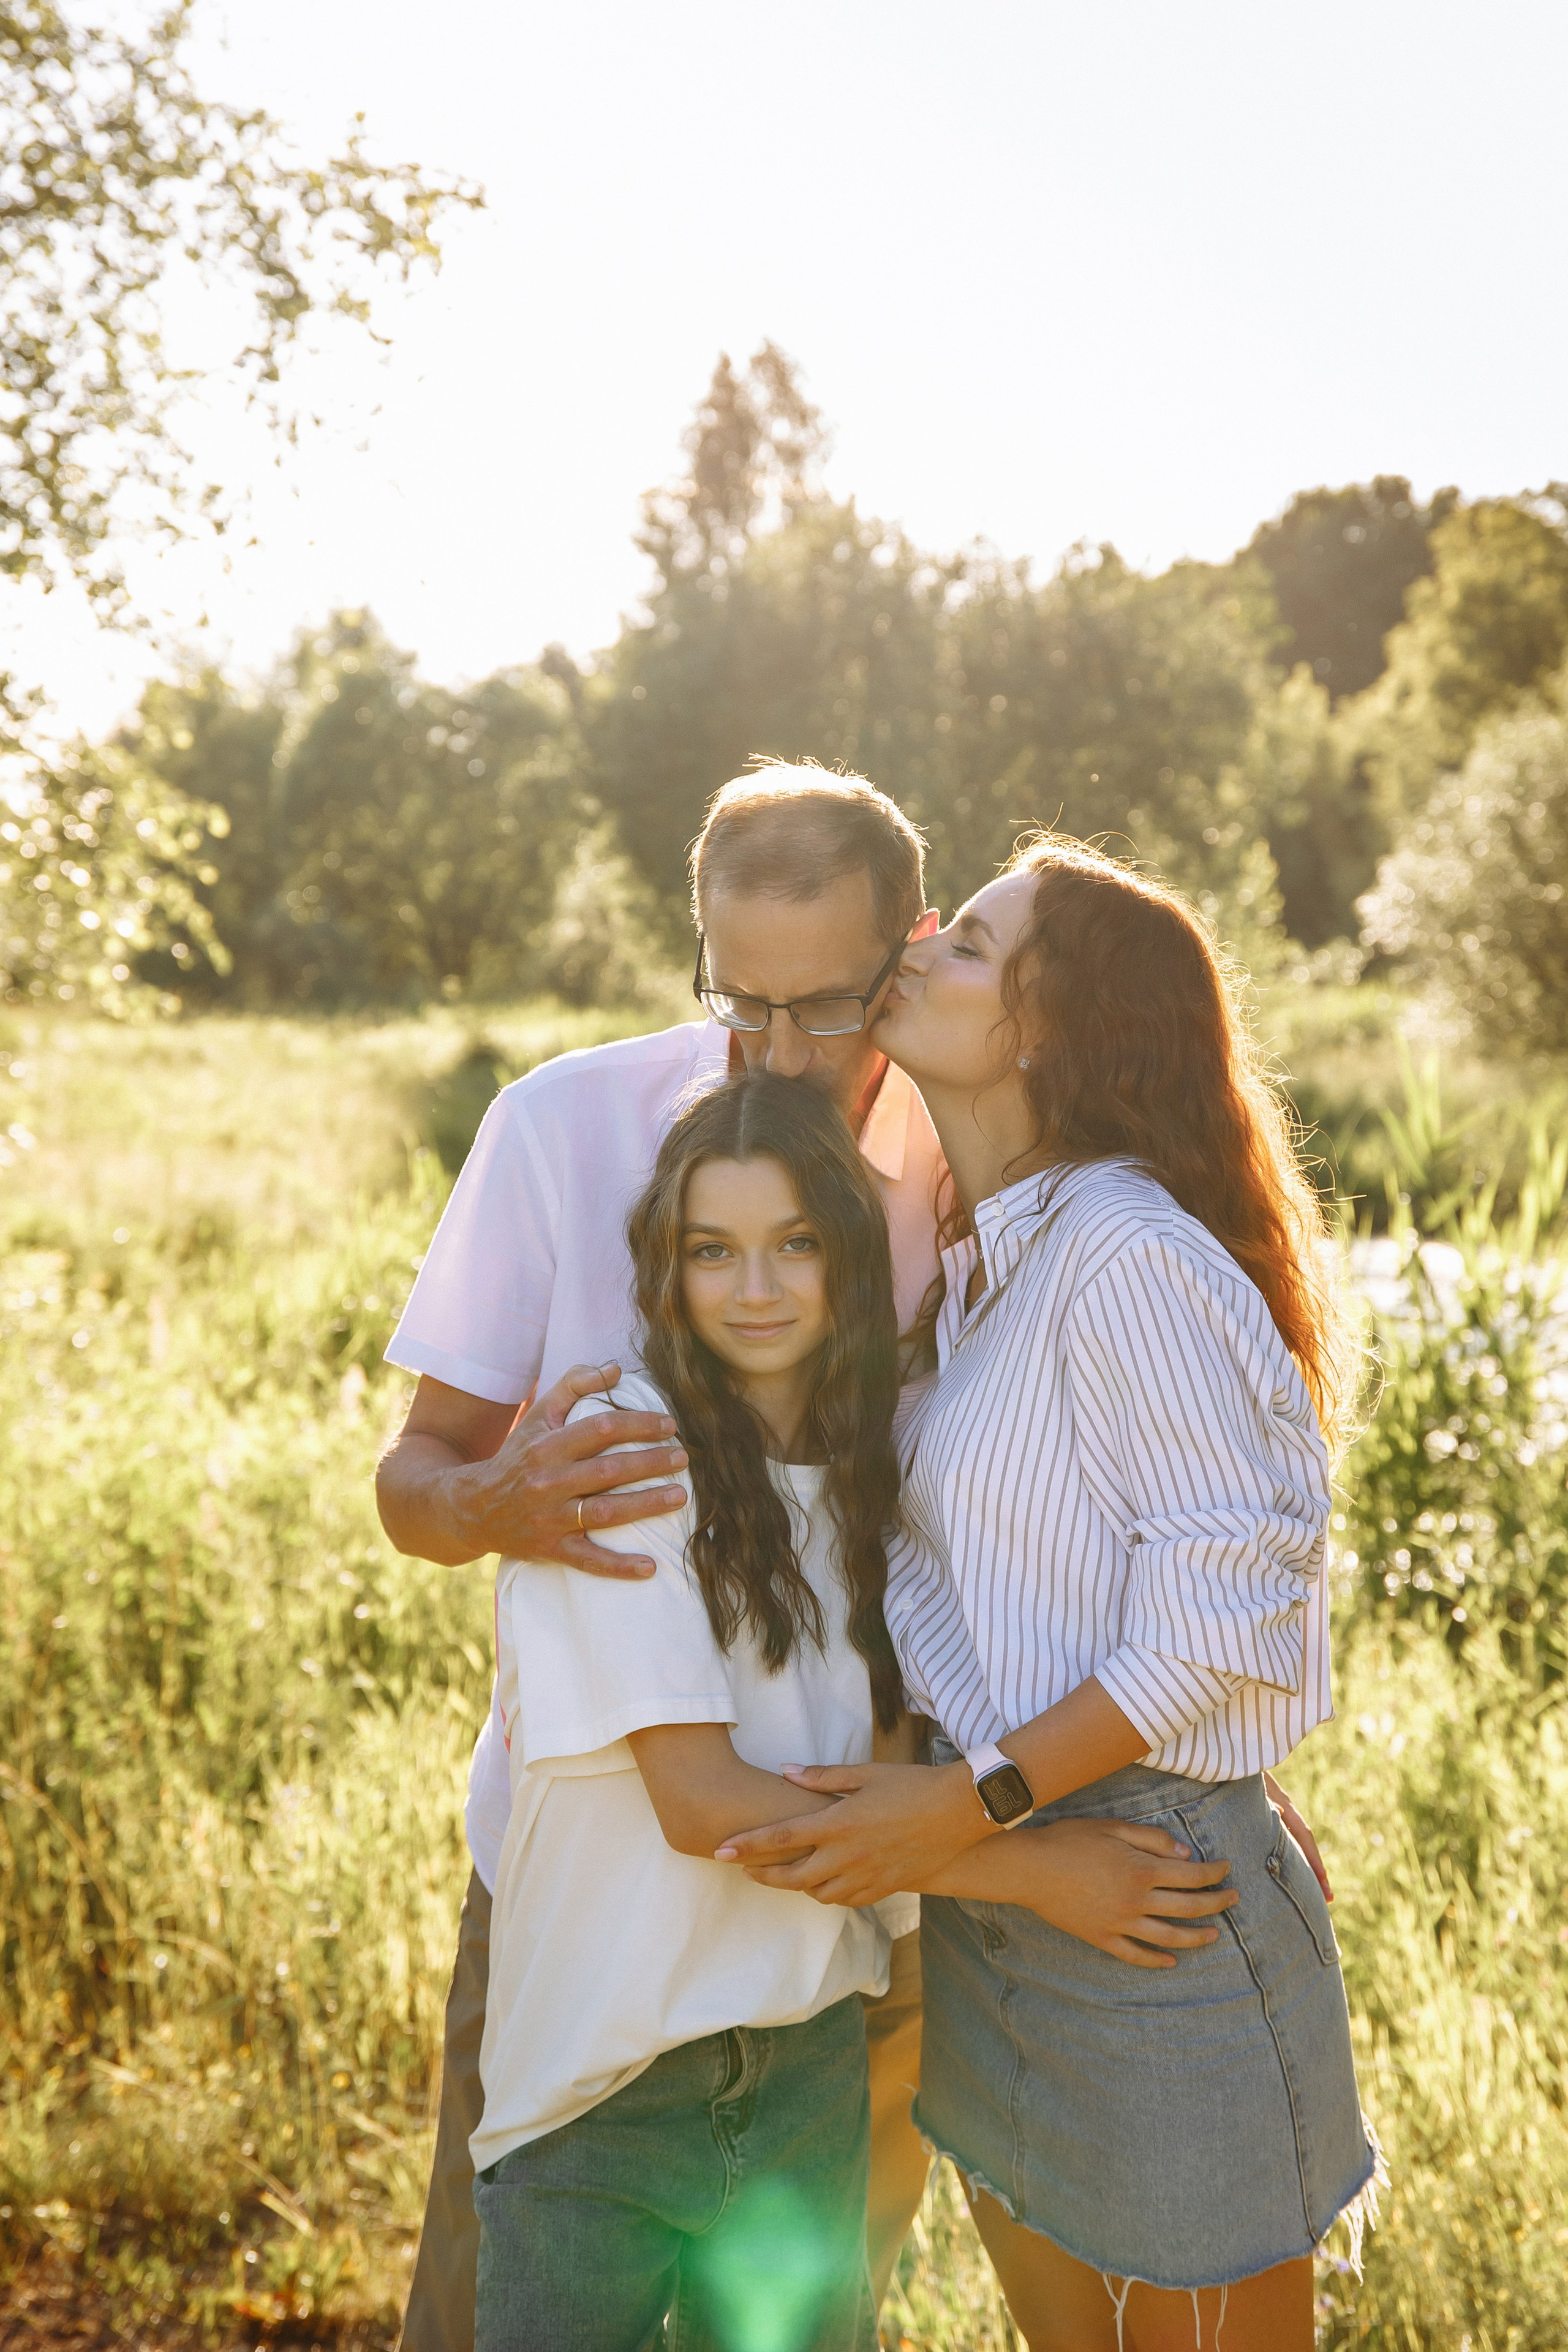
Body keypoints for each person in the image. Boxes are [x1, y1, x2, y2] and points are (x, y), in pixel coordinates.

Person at [378, 769, 1275, 2350]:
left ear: (911, 955)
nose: (783, 1054)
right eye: (742, 1002)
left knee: (799, 2313)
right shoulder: (558, 1127)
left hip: (871, 1905)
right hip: (598, 1902)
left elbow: (1101, 1521)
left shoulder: (977, 1162)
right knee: (493, 2307)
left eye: (831, 1006)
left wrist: (1202, 1770)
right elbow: (415, 1479)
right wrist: (498, 1501)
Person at [717, 835, 1382, 2352]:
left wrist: (972, 1810)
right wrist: (974, 1824)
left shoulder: (1124, 1255)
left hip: (1147, 1907)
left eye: (973, 944)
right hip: (1011, 1899)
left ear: (1046, 1025)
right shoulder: (987, 1262)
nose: (927, 943)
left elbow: (1220, 1622)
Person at [473, 1074, 909, 2349]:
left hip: (807, 2071)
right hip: (604, 2087)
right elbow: (704, 1804)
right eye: (711, 1251)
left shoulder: (870, 1476)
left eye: (794, 1245)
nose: (754, 1290)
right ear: (666, 1268)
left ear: (845, 1255)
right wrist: (1034, 1865)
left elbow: (886, 1785)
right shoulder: (621, 1453)